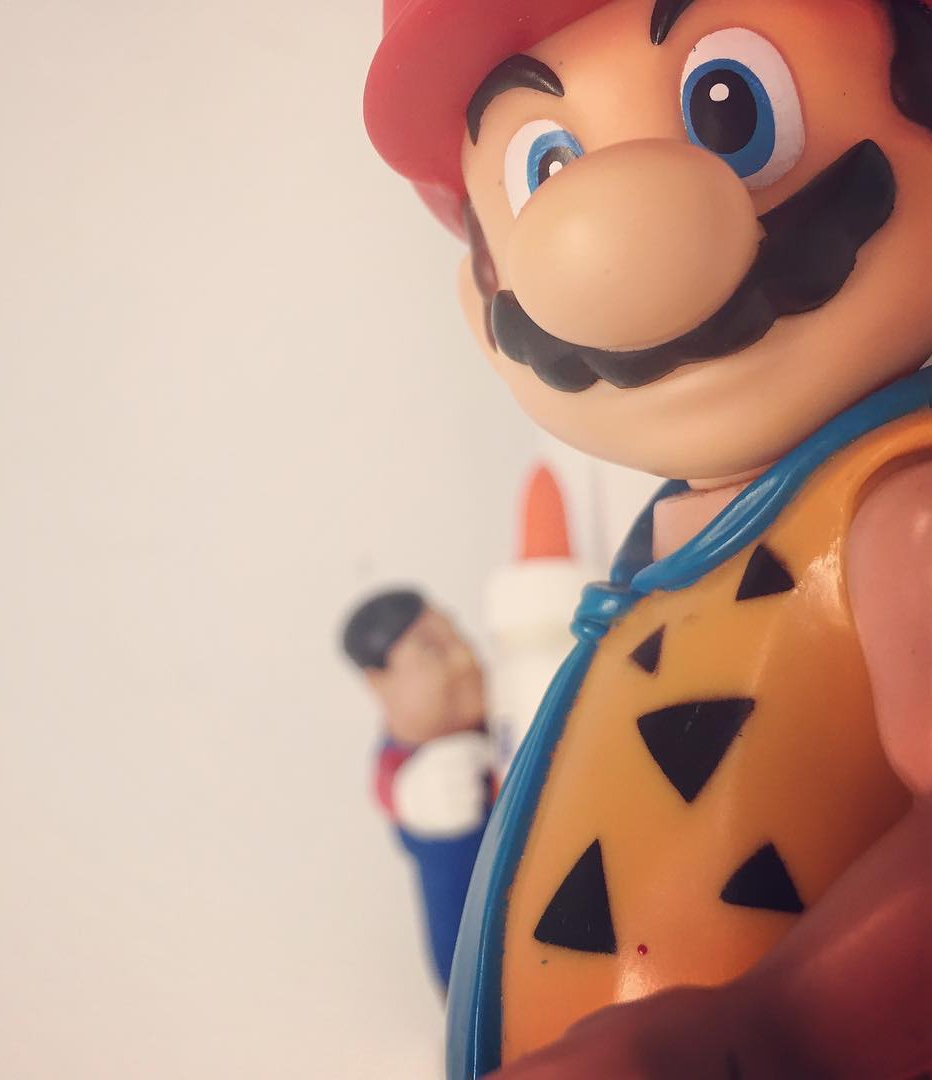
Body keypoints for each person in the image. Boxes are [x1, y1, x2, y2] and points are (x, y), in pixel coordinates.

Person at [363, 1, 932, 1076]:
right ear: (483, 293)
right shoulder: (650, 571)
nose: (608, 237)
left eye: (729, 109)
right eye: (545, 167)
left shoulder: (899, 513)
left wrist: (782, 1025)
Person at [342, 589, 493, 989]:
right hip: (486, 970)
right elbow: (389, 788)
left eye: (456, 637)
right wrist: (414, 798)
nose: (464, 659)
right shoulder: (409, 774)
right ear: (379, 682)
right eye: (432, 650)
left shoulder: (500, 713)